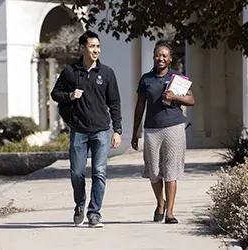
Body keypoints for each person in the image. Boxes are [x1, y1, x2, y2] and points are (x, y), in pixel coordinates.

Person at [51, 30, 123, 228]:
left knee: (99, 172)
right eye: (92, 46)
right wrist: (70, 96)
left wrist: (117, 130)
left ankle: (94, 213)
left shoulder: (107, 73)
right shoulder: (70, 72)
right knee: (77, 173)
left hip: (101, 131)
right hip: (79, 130)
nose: (96, 50)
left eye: (98, 47)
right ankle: (80, 205)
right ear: (82, 48)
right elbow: (55, 93)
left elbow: (114, 103)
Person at [131, 40, 195, 224]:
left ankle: (170, 213)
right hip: (152, 129)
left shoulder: (178, 78)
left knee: (171, 170)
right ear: (154, 57)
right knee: (154, 171)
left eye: (164, 56)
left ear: (170, 59)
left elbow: (192, 100)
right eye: (158, 55)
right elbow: (140, 106)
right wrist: (135, 132)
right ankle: (161, 203)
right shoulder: (146, 79)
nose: (161, 58)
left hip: (174, 127)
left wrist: (175, 97)